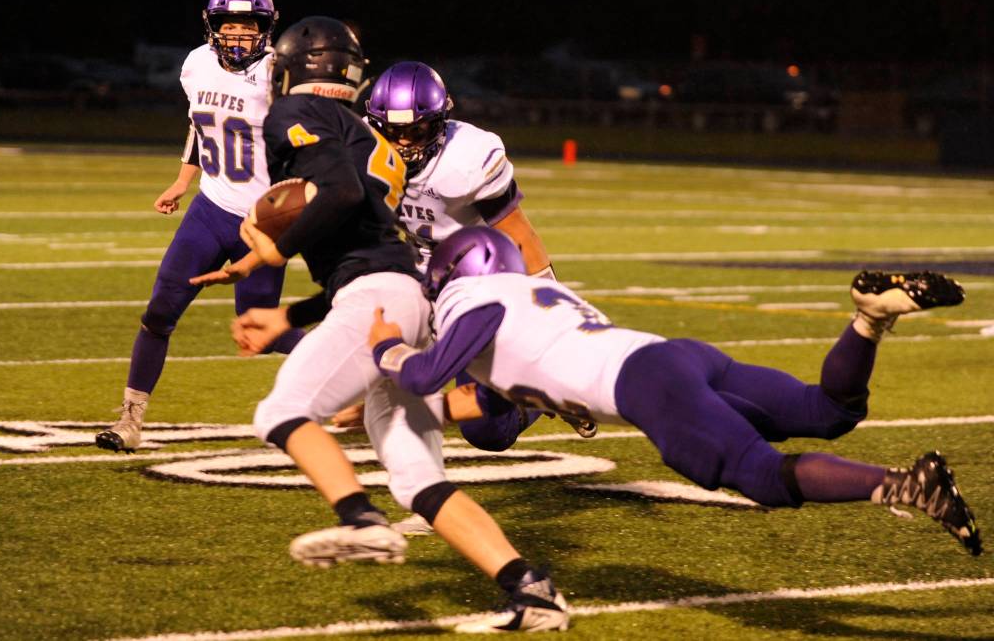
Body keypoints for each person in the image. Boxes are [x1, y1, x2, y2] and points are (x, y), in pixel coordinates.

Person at [192, 18, 569, 633]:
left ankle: (360, 522)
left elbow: (340, 196)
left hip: (392, 296)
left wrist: (272, 252)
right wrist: (289, 313)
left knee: (282, 412)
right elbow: (364, 256)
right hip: (401, 292)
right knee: (418, 477)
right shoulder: (362, 137)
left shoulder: (302, 114)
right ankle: (532, 591)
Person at [369, 226, 983, 558]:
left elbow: (423, 374)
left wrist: (385, 349)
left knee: (763, 476)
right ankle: (869, 321)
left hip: (647, 383)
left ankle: (904, 484)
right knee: (826, 411)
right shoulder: (528, 302)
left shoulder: (473, 299)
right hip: (675, 355)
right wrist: (378, 415)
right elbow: (492, 408)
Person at [334, 60, 593, 448]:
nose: (404, 142)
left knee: (486, 431)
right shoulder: (363, 151)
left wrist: (553, 307)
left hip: (477, 279)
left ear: (440, 122)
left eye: (417, 130)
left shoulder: (467, 158)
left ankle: (543, 392)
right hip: (415, 274)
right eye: (393, 131)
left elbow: (518, 233)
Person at [96, 0, 304, 453]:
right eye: (228, 26)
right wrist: (182, 181)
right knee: (158, 311)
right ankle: (130, 420)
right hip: (210, 209)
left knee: (261, 329)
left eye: (247, 27)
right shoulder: (197, 64)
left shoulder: (279, 74)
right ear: (212, 28)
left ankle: (355, 364)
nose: (236, 37)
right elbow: (200, 125)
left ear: (266, 30)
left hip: (262, 221)